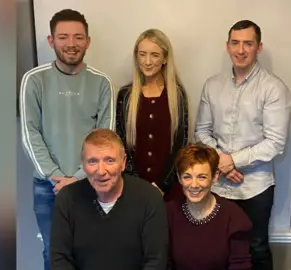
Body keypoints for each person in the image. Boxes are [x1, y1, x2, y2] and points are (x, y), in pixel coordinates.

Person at [194, 20, 291, 270]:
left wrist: (233, 161)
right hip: (217, 184)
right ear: (227, 46)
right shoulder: (212, 85)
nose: (241, 50)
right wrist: (222, 162)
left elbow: (275, 143)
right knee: (216, 248)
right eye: (235, 43)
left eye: (248, 44)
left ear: (258, 48)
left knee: (256, 249)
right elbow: (201, 132)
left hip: (256, 188)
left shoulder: (273, 89)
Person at [19, 9, 115, 270]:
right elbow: (30, 134)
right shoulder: (34, 80)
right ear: (51, 41)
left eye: (78, 37)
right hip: (48, 188)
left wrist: (78, 177)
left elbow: (106, 140)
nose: (71, 44)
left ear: (88, 41)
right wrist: (56, 177)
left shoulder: (102, 82)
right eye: (63, 37)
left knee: (92, 251)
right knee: (54, 253)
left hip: (91, 184)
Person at [50, 129, 169, 270]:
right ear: (83, 164)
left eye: (109, 160)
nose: (101, 171)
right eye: (92, 161)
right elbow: (60, 260)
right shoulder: (67, 199)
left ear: (123, 163)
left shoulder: (149, 198)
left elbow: (156, 261)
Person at [116, 28, 189, 201]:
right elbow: (121, 142)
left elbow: (181, 143)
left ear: (165, 58)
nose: (147, 61)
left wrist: (163, 185)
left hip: (168, 191)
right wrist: (137, 184)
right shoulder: (126, 95)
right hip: (133, 190)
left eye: (155, 55)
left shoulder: (176, 95)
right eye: (142, 54)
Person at [166, 143, 253, 270]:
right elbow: (164, 264)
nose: (194, 185)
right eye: (187, 177)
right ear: (179, 178)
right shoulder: (168, 213)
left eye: (202, 177)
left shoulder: (234, 218)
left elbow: (240, 267)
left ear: (214, 177)